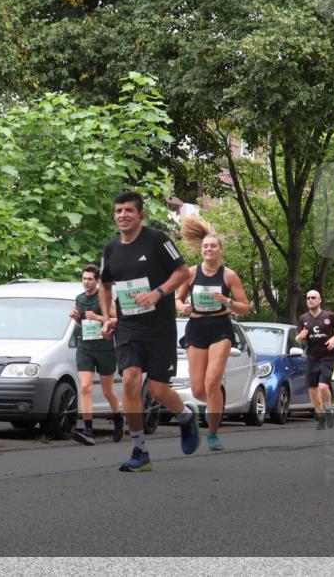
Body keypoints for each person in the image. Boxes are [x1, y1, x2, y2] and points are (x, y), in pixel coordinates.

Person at [99, 191, 198, 472]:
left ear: (140, 214)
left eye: (128, 210)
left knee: (157, 390)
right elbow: (105, 286)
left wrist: (158, 293)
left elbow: (183, 273)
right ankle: (140, 450)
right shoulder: (111, 249)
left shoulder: (157, 240)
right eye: (118, 211)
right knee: (130, 379)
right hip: (129, 327)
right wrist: (107, 318)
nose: (122, 215)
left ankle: (186, 416)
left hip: (159, 328)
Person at [175, 215, 250, 451]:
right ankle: (212, 407)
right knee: (198, 390)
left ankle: (213, 433)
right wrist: (183, 307)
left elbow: (244, 307)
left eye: (213, 246)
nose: (209, 249)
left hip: (220, 329)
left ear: (220, 250)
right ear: (201, 250)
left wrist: (227, 301)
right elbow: (177, 298)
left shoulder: (229, 276)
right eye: (205, 246)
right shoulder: (191, 273)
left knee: (212, 383)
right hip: (196, 328)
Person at [69, 264, 124, 446]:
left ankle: (118, 419)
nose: (86, 282)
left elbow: (118, 320)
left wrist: (99, 318)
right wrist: (77, 318)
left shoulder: (105, 299)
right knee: (85, 387)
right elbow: (80, 324)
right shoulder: (79, 299)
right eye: (84, 278)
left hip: (104, 348)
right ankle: (88, 430)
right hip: (85, 347)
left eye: (90, 279)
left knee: (108, 391)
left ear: (97, 281)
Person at [296, 289, 334, 430]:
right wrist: (301, 336)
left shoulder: (329, 316)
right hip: (312, 357)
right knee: (312, 391)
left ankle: (329, 410)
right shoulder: (303, 319)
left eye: (313, 297)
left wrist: (333, 338)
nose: (310, 300)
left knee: (323, 387)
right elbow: (298, 340)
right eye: (308, 298)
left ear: (319, 300)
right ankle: (321, 418)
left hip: (327, 357)